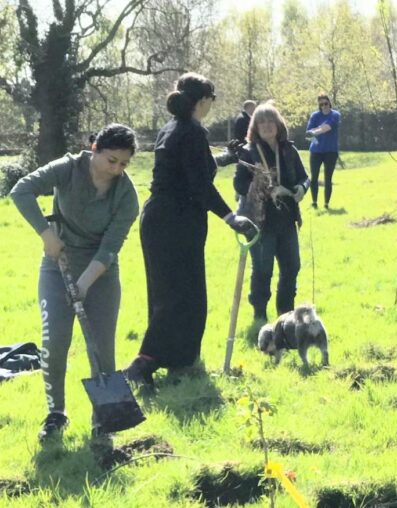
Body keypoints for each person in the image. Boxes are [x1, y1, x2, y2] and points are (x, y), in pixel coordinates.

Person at [124, 73, 257, 385]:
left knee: (167, 293)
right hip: (178, 220)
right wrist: (231, 217)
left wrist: (226, 157)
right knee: (183, 297)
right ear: (203, 100)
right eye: (212, 100)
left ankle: (181, 362)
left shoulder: (171, 128)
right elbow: (199, 185)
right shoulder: (193, 131)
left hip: (159, 217)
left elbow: (193, 169)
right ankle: (143, 363)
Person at [11, 124, 141, 441]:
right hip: (59, 265)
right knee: (54, 342)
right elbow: (21, 190)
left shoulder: (127, 196)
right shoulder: (68, 168)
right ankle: (56, 414)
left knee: (101, 348)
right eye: (112, 160)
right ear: (95, 148)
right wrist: (47, 235)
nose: (117, 169)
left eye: (124, 164)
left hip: (101, 273)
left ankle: (103, 418)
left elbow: (110, 248)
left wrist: (84, 284)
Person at [233, 102, 309, 323]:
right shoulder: (248, 152)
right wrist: (254, 178)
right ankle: (259, 316)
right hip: (260, 223)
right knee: (263, 270)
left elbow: (305, 177)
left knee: (292, 266)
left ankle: (286, 316)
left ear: (278, 124)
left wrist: (301, 189)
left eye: (270, 121)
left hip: (286, 220)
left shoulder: (289, 149)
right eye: (261, 121)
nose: (266, 125)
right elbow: (238, 187)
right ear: (255, 126)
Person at [306, 93, 340, 209]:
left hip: (331, 151)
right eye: (321, 104)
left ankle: (326, 204)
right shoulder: (315, 116)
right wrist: (316, 133)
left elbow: (328, 127)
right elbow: (308, 133)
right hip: (316, 151)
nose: (324, 106)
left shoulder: (335, 115)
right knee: (314, 177)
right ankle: (314, 202)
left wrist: (316, 131)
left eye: (325, 103)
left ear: (329, 103)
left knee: (328, 178)